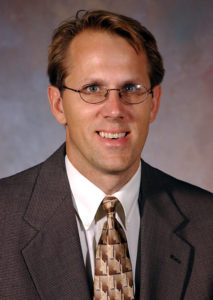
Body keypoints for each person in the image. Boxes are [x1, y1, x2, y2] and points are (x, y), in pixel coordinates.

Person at [0, 10, 212, 300]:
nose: (114, 109)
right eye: (92, 88)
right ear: (58, 104)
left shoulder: (207, 223)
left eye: (131, 88)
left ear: (153, 103)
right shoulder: (4, 218)